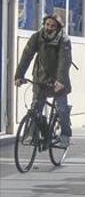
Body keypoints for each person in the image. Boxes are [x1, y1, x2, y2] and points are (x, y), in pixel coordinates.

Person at [14, 14, 73, 148]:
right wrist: (19, 75)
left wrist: (60, 81)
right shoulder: (37, 37)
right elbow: (26, 55)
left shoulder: (63, 40)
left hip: (59, 81)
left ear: (58, 28)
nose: (49, 28)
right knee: (35, 108)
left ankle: (65, 134)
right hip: (40, 79)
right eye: (47, 25)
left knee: (62, 109)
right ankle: (33, 134)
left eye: (52, 26)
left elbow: (64, 62)